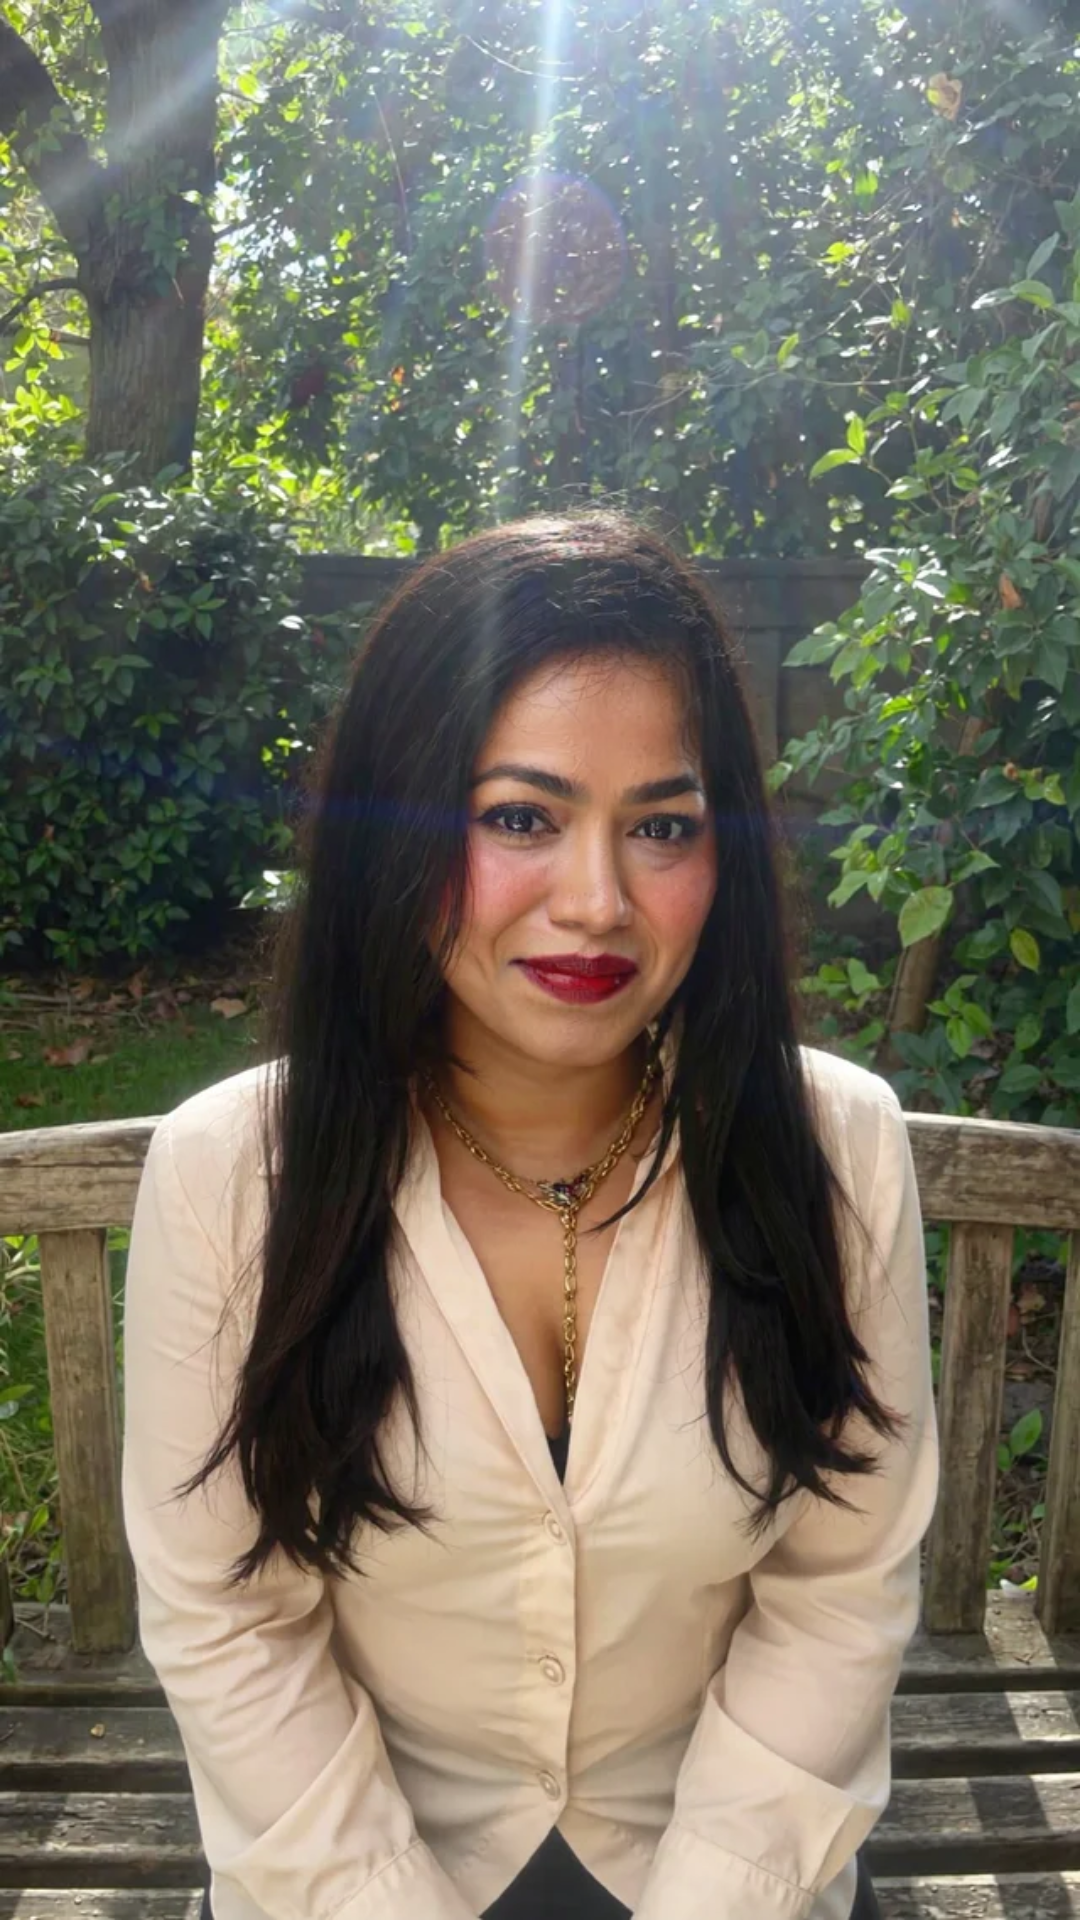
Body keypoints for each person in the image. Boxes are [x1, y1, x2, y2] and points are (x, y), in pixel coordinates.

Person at [121, 509, 939, 1920]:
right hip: (350, 1875)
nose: (598, 901)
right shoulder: (228, 1178)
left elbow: (838, 1586)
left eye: (662, 827)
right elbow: (229, 1616)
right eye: (519, 817)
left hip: (731, 1861)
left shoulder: (837, 1150)